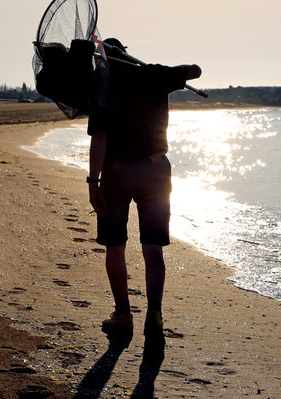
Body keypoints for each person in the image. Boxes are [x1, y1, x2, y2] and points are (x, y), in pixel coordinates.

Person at [87, 38, 202, 345]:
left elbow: (99, 138)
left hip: (116, 173)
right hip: (154, 171)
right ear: (125, 53)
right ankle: (155, 315)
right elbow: (196, 70)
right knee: (153, 247)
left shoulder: (103, 85)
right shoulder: (153, 74)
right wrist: (169, 72)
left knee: (115, 246)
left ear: (104, 60)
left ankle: (123, 315)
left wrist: (92, 182)